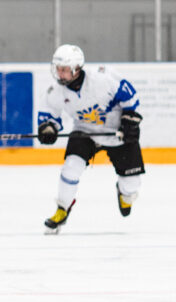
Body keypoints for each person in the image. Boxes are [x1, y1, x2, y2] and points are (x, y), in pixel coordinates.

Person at [37, 44, 144, 234]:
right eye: (58, 69)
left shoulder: (103, 79)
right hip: (84, 132)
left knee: (131, 185)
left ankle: (124, 193)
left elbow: (130, 98)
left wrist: (129, 121)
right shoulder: (56, 91)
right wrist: (48, 128)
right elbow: (49, 115)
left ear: (76, 69)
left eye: (64, 70)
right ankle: (62, 209)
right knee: (71, 168)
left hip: (116, 132)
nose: (59, 74)